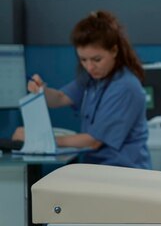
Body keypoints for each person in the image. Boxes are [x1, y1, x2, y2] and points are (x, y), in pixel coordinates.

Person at [12, 10, 151, 169]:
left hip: (123, 174)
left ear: (114, 51)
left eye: (96, 59)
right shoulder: (92, 78)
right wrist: (41, 91)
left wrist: (38, 140)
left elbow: (93, 141)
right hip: (99, 170)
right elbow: (61, 98)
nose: (90, 67)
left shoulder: (125, 87)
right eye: (83, 60)